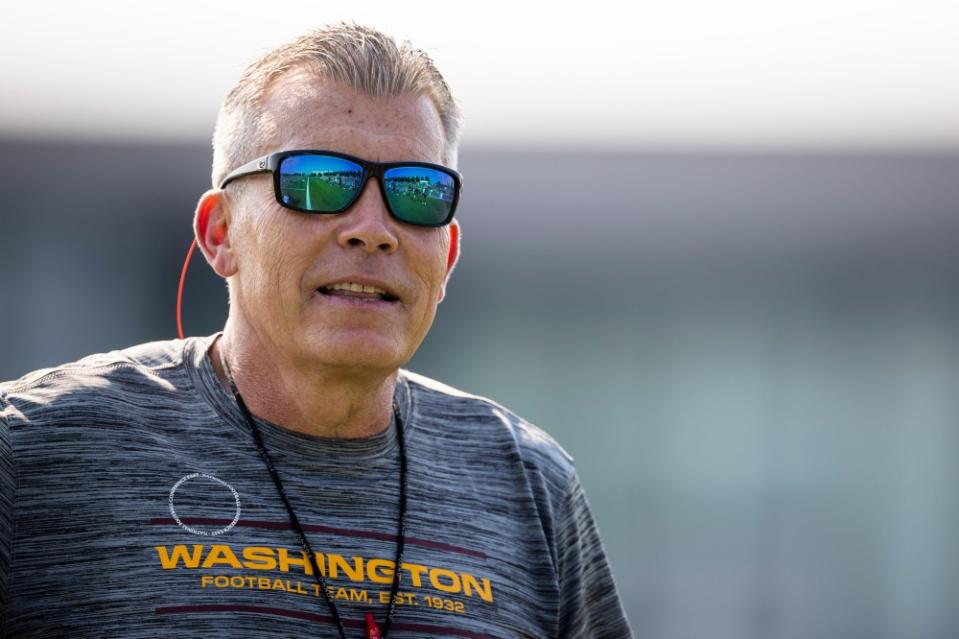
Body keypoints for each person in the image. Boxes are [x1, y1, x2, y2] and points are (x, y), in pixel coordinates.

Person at [0, 24, 633, 638]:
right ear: (220, 233)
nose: (373, 228)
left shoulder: (527, 481)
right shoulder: (29, 452)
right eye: (317, 181)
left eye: (417, 191)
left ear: (448, 255)